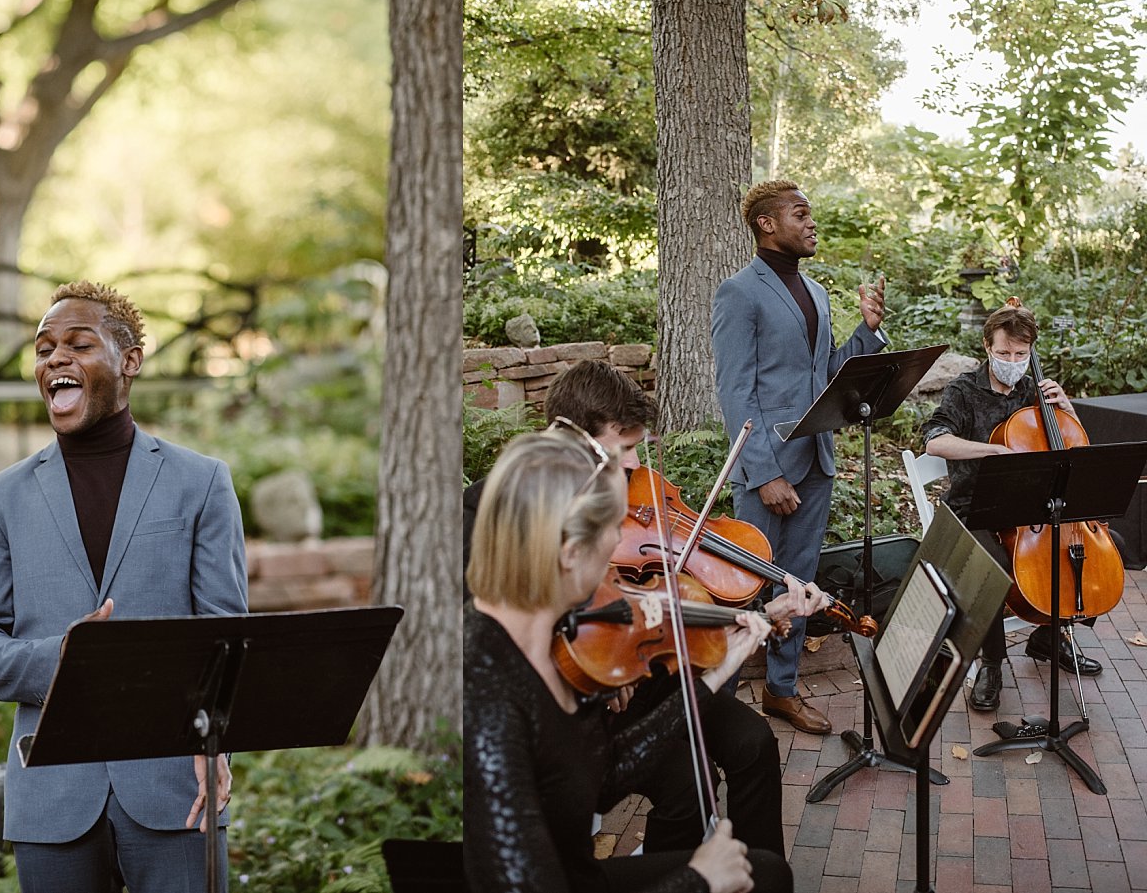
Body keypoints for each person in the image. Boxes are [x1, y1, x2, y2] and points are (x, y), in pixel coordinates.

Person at [0, 281, 246, 892]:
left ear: (129, 361)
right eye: (44, 349)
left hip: (175, 789)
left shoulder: (202, 482)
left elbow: (226, 641)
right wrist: (62, 659)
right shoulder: (0, 497)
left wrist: (218, 748)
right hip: (50, 799)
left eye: (79, 344)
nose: (55, 358)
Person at [464, 362, 817, 860]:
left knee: (754, 742)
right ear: (577, 437)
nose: (634, 463)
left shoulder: (623, 496)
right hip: (586, 688)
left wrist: (756, 614)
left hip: (641, 663)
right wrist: (581, 655)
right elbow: (489, 624)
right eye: (623, 448)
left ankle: (759, 874)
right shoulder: (494, 508)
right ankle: (681, 873)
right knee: (689, 787)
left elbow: (656, 596)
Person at [711, 180, 886, 736]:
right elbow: (736, 392)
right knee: (745, 585)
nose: (812, 223)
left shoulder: (815, 291)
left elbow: (826, 376)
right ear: (766, 224)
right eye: (800, 214)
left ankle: (781, 691)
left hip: (816, 460)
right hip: (766, 468)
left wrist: (867, 333)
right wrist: (764, 474)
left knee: (800, 584)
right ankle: (720, 707)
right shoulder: (739, 293)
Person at [922, 302, 1102, 714]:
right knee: (995, 566)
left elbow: (1072, 447)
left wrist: (1067, 409)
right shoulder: (963, 391)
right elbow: (934, 440)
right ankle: (992, 663)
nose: (1013, 361)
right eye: (1004, 353)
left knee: (1089, 553)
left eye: (1021, 354)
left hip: (1028, 508)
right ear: (988, 347)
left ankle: (1048, 638)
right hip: (973, 508)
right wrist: (992, 450)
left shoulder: (1034, 389)